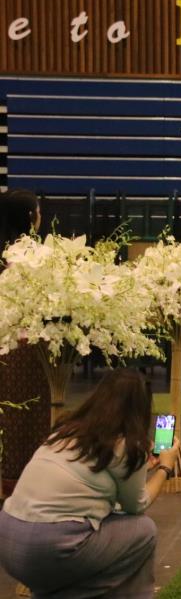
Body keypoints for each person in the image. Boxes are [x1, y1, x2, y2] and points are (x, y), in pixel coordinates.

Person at [0, 369, 180, 599]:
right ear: (140, 409)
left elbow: (89, 479)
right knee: (143, 530)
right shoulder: (126, 445)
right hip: (49, 547)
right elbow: (137, 505)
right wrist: (165, 467)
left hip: (8, 539)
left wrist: (141, 466)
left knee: (111, 520)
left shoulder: (66, 429)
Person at [0, 189, 49, 499]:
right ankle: (26, 487)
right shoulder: (33, 256)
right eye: (38, 211)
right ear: (31, 217)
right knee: (27, 417)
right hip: (26, 350)